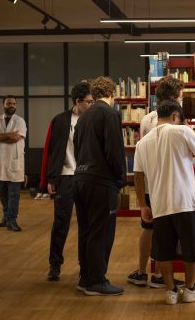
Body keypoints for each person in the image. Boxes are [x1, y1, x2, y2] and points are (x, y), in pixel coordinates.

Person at [135, 100, 195, 305]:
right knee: (191, 247)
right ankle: (191, 288)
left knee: (164, 249)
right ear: (176, 116)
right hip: (185, 201)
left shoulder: (143, 142)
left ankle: (170, 291)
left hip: (159, 204)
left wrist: (143, 205)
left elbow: (138, 176)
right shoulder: (181, 132)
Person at [128, 75, 185, 289]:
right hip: (168, 184)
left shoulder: (145, 119)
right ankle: (160, 274)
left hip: (150, 182)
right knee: (165, 232)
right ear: (171, 98)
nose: (181, 100)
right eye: (179, 96)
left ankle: (142, 271)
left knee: (148, 228)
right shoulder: (174, 119)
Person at [73, 76, 126, 296]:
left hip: (81, 178)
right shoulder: (110, 113)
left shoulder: (84, 117)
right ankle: (97, 281)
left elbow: (76, 147)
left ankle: (85, 277)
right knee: (101, 232)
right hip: (101, 182)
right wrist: (120, 179)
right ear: (112, 94)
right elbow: (114, 150)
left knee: (86, 230)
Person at [45, 82, 94, 281]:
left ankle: (85, 266)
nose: (92, 105)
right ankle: (55, 265)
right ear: (77, 102)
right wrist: (50, 179)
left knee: (86, 224)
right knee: (60, 223)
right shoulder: (60, 120)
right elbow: (52, 151)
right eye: (89, 102)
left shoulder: (92, 120)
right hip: (65, 176)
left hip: (86, 177)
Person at [0, 95, 27, 232]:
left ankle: (12, 220)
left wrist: (0, 138)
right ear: (3, 105)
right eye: (8, 103)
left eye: (14, 103)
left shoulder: (20, 121)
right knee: (1, 193)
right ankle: (5, 216)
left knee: (14, 194)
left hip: (14, 161)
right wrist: (8, 135)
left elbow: (16, 138)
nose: (11, 105)